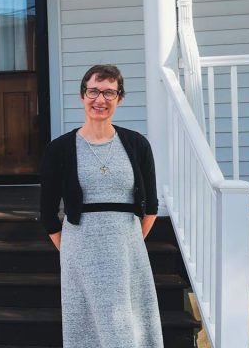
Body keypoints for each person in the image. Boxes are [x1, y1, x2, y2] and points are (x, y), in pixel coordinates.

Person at [39, 64, 163, 347]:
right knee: (87, 326)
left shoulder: (136, 144)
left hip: (127, 247)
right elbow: (47, 214)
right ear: (82, 95)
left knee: (132, 323)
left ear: (119, 98)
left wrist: (128, 240)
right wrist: (74, 248)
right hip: (80, 246)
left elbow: (151, 206)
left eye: (109, 93)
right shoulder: (59, 149)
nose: (100, 100)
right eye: (93, 91)